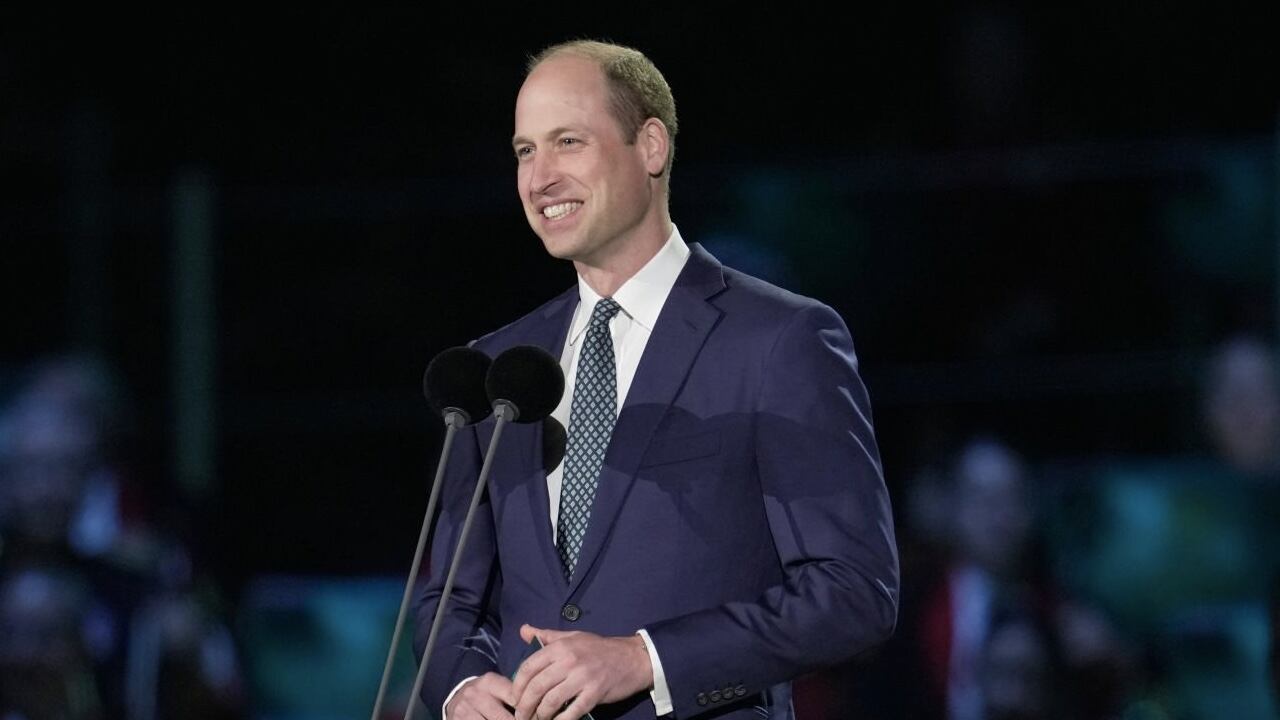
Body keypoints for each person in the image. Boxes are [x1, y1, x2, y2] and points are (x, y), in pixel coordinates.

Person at [413, 40, 898, 720]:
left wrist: (646, 658)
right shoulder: (500, 367)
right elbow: (449, 600)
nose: (539, 177)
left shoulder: (779, 341)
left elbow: (853, 592)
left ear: (650, 147)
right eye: (525, 151)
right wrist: (462, 688)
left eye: (568, 142)